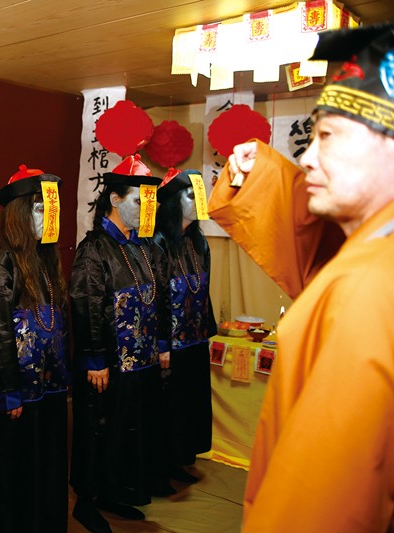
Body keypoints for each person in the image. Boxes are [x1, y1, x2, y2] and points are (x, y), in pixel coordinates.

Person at [208, 23, 394, 532]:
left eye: (327, 136)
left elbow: (324, 496)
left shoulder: (370, 290)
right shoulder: (370, 250)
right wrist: (262, 173)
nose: (307, 157)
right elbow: (321, 246)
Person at [69, 155, 171, 533]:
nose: (145, 208)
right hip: (109, 361)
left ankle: (117, 491)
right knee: (99, 429)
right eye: (138, 200)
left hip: (140, 360)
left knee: (129, 429)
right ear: (115, 199)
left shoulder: (144, 246)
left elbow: (159, 297)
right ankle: (87, 500)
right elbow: (85, 303)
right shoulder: (94, 248)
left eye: (149, 202)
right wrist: (95, 358)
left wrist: (162, 343)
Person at [0, 165, 69, 533]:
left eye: (51, 209)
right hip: (19, 392)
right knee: (17, 470)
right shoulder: (0, 265)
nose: (48, 217)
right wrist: (8, 391)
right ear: (18, 213)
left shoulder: (46, 259)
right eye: (39, 209)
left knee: (50, 462)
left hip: (50, 386)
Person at [155, 168, 216, 482]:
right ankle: (165, 464)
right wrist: (162, 341)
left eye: (200, 195)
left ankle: (183, 458)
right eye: (191, 195)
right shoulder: (159, 242)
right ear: (173, 201)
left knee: (192, 399)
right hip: (172, 339)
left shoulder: (198, 241)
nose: (198, 201)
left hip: (195, 335)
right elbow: (157, 296)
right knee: (170, 403)